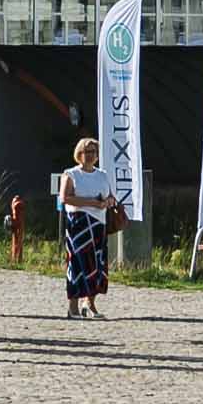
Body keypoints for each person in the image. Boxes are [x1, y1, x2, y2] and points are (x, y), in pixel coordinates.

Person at [55, 136, 120, 318]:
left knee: (97, 266)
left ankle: (90, 303)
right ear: (79, 154)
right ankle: (73, 306)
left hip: (99, 225)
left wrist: (107, 201)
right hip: (79, 225)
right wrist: (91, 202)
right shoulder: (71, 174)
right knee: (77, 264)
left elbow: (112, 197)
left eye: (93, 152)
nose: (90, 155)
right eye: (86, 152)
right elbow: (65, 197)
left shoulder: (102, 175)